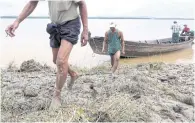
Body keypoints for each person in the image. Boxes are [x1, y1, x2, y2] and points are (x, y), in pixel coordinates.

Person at [5, 0, 88, 110]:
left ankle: (57, 95)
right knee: (56, 60)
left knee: (61, 61)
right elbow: (32, 3)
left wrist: (85, 30)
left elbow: (82, 4)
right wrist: (17, 22)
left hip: (71, 24)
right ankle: (73, 74)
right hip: (55, 26)